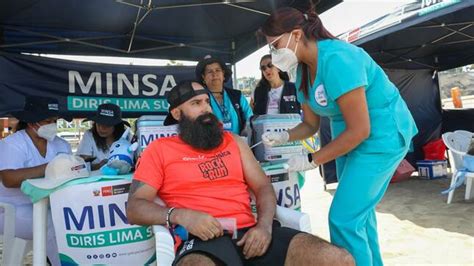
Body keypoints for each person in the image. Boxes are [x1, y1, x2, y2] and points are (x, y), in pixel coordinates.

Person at [127, 80, 354, 266]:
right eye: (196, 103)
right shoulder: (160, 150)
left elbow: (263, 186)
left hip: (251, 234)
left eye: (207, 101)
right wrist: (180, 215)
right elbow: (135, 207)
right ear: (177, 113)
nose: (206, 108)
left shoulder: (232, 141)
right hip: (201, 241)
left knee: (338, 259)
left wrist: (264, 225)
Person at [259, 7, 418, 266]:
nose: (274, 55)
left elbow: (361, 129)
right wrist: (283, 136)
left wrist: (313, 159)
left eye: (275, 46)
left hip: (381, 135)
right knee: (359, 217)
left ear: (296, 35)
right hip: (347, 139)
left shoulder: (339, 59)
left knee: (344, 219)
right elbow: (310, 125)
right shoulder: (301, 71)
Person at [0, 96, 72, 265]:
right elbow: (8, 179)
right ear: (32, 123)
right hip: (12, 211)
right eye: (48, 121)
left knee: (72, 219)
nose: (53, 125)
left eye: (55, 121)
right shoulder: (13, 144)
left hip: (52, 206)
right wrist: (50, 167)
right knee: (53, 225)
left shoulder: (61, 144)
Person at [195, 55, 253, 134]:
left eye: (217, 70)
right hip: (212, 144)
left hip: (238, 143)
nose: (214, 74)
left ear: (223, 75)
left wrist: (244, 136)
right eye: (209, 71)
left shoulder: (237, 95)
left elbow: (250, 118)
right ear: (203, 77)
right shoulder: (199, 99)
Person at [76, 103, 129, 170]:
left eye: (107, 125)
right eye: (98, 124)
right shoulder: (89, 135)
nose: (101, 128)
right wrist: (99, 166)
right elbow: (81, 165)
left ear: (117, 126)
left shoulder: (127, 136)